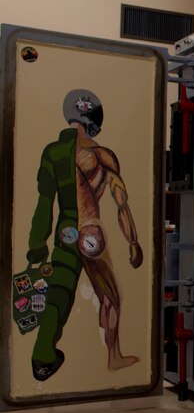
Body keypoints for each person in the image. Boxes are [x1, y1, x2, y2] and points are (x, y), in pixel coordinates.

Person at [25, 89, 143, 382]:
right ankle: (114, 356)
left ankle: (43, 356)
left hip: (67, 231)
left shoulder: (52, 153)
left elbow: (43, 204)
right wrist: (133, 243)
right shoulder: (102, 156)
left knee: (58, 293)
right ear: (93, 121)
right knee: (110, 297)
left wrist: (36, 249)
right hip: (93, 232)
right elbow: (120, 201)